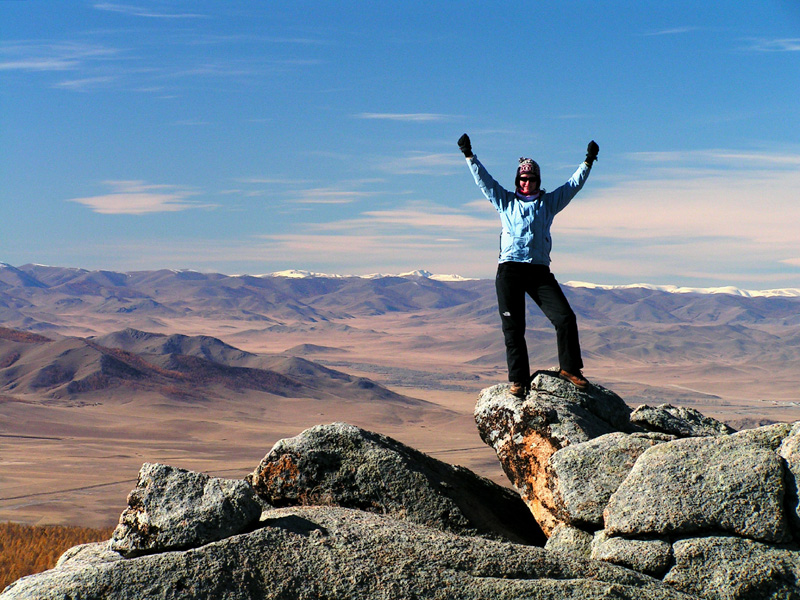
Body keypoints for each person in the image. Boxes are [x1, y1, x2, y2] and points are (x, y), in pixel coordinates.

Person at [458, 133, 599, 396]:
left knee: (565, 318)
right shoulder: (505, 201)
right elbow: (484, 182)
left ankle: (570, 369)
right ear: (517, 180)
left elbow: (572, 186)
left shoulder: (548, 203)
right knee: (514, 328)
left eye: (531, 178)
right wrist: (469, 156)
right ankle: (519, 380)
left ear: (538, 180)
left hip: (538, 271)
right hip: (510, 269)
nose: (526, 183)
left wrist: (588, 162)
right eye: (523, 178)